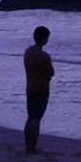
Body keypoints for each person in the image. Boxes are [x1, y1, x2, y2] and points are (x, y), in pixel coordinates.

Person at [22, 26, 54, 154]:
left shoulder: (28, 52)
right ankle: (33, 147)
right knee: (36, 118)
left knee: (30, 117)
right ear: (45, 39)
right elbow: (51, 72)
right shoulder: (44, 56)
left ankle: (28, 145)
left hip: (30, 87)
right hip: (42, 88)